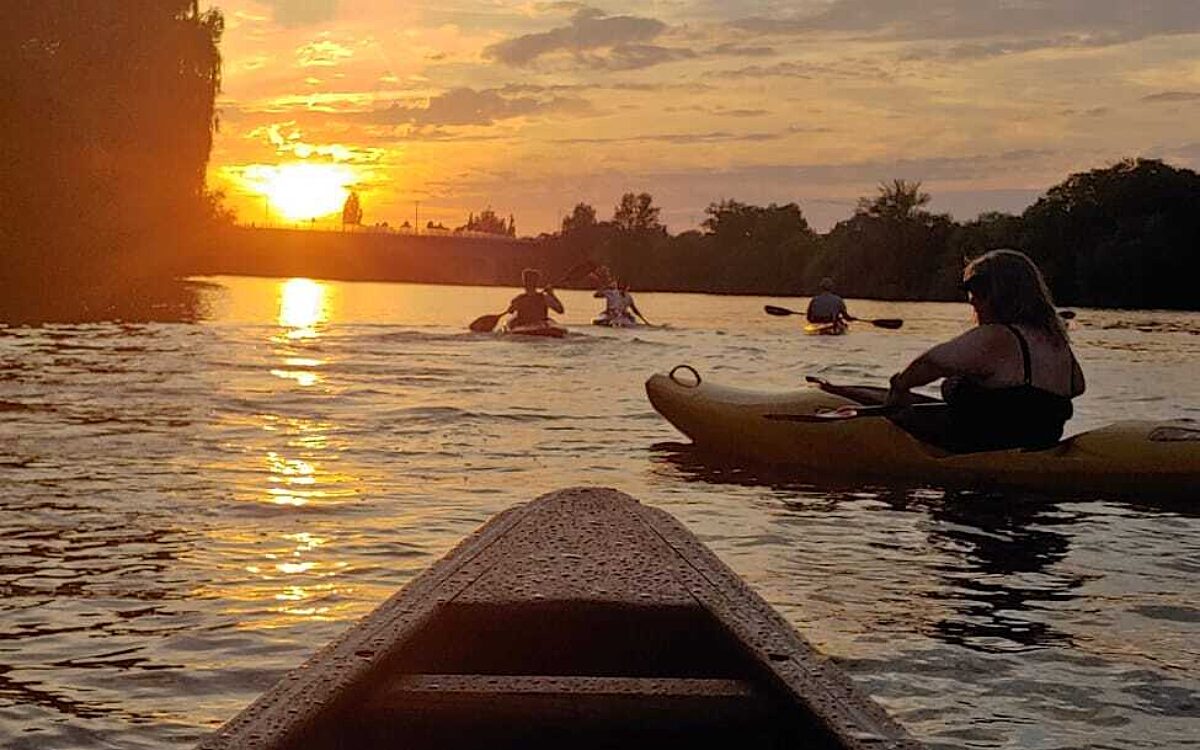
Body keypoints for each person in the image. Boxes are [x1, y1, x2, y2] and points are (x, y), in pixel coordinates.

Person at [886, 249, 1085, 453]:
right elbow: (1077, 386)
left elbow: (931, 363)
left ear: (1001, 294)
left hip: (984, 446)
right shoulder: (1055, 340)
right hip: (1040, 441)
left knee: (917, 405)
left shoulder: (997, 336)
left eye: (977, 290)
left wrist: (900, 386)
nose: (971, 300)